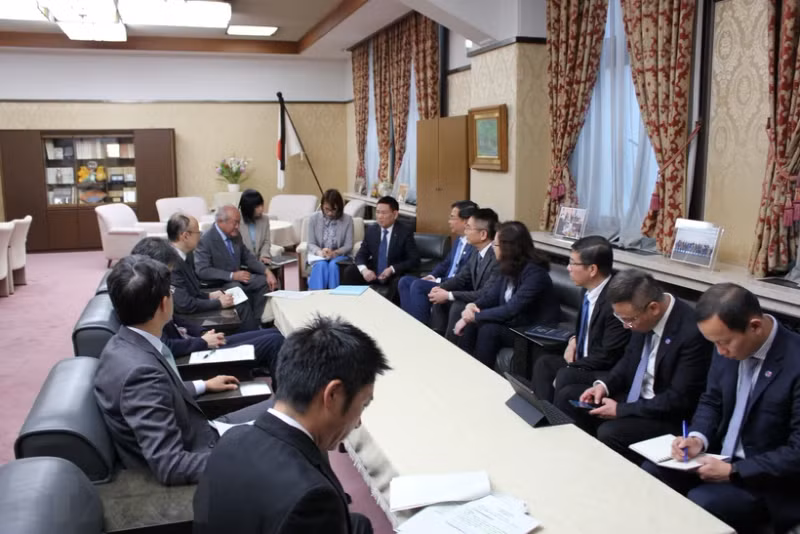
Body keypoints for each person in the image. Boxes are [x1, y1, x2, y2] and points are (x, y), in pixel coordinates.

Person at [193, 315, 390, 534]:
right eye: (363, 404)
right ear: (332, 395)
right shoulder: (312, 498)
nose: (358, 423)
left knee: (359, 524)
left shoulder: (231, 439)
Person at [94, 255, 274, 486]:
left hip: (197, 429)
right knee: (295, 430)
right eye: (170, 290)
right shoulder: (140, 375)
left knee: (288, 409)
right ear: (163, 303)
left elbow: (158, 396)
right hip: (201, 449)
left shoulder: (123, 343)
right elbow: (171, 465)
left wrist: (203, 385)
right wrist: (246, 460)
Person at [643, 284, 800, 534]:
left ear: (755, 326)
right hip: (718, 458)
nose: (719, 352)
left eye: (723, 343)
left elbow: (796, 452)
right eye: (713, 343)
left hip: (765, 479)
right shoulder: (726, 345)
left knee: (702, 501)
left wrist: (734, 471)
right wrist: (697, 438)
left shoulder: (794, 360)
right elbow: (712, 400)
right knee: (652, 471)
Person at [558, 269, 712, 463]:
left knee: (610, 432)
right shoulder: (640, 317)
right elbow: (628, 360)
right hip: (635, 398)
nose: (625, 326)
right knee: (568, 396)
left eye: (629, 320)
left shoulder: (691, 333)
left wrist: (621, 410)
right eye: (621, 319)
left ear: (653, 308)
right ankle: (573, 459)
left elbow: (678, 399)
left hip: (665, 414)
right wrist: (604, 387)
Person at [131, 237, 285, 374]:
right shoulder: (145, 302)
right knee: (275, 343)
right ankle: (287, 403)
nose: (169, 281)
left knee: (275, 334)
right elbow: (164, 346)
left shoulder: (152, 291)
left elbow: (175, 320)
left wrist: (203, 333)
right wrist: (203, 342)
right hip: (194, 355)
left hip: (195, 341)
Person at [531, 236, 630, 401]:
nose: (568, 268)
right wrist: (573, 339)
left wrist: (572, 366)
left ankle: (557, 422)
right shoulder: (587, 290)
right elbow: (586, 331)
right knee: (545, 363)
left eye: (573, 263)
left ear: (592, 269)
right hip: (584, 361)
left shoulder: (615, 302)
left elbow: (607, 356)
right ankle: (542, 413)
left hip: (604, 370)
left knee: (565, 374)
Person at [454, 221, 559, 369]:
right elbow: (491, 296)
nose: (492, 248)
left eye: (495, 245)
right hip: (514, 324)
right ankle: (462, 369)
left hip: (530, 331)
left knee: (489, 330)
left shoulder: (535, 273)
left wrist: (474, 316)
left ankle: (481, 378)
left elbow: (511, 309)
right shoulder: (509, 266)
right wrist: (473, 306)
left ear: (509, 248)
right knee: (472, 325)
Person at [166, 213, 259, 331]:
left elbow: (192, 290)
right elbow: (185, 304)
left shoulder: (186, 254)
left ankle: (253, 336)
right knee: (239, 306)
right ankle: (252, 340)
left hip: (193, 304)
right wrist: (219, 303)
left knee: (240, 300)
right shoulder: (170, 263)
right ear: (185, 236)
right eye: (197, 232)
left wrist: (209, 295)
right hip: (184, 318)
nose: (200, 235)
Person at [194, 205, 279, 325]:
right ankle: (249, 327)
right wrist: (232, 275)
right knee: (237, 289)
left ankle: (257, 320)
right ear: (220, 222)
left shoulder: (235, 235)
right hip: (219, 282)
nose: (238, 227)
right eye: (235, 223)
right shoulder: (206, 240)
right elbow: (202, 270)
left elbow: (248, 257)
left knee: (265, 281)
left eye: (239, 223)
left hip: (238, 277)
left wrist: (267, 271)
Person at [398, 200, 477, 323]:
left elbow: (464, 278)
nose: (449, 221)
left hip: (454, 286)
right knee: (404, 281)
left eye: (452, 218)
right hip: (444, 281)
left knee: (418, 285)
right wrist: (432, 275)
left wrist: (438, 280)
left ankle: (421, 328)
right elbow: (445, 264)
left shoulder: (474, 245)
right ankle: (409, 323)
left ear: (465, 221)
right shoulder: (459, 240)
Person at [428, 208, 499, 340]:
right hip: (476, 299)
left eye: (469, 228)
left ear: (483, 234)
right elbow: (461, 278)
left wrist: (448, 295)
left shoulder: (496, 257)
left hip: (490, 304)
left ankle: (451, 348)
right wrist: (442, 288)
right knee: (440, 299)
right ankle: (436, 338)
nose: (465, 232)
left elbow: (485, 294)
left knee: (457, 305)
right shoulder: (477, 252)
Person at [341, 196, 419, 301]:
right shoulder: (372, 230)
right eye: (377, 212)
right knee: (350, 271)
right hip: (374, 272)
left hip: (393, 276)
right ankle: (352, 306)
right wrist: (364, 271)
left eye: (383, 213)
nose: (379, 216)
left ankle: (387, 312)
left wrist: (392, 269)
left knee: (398, 282)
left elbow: (414, 260)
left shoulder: (404, 232)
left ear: (395, 214)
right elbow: (361, 254)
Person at [306, 189, 354, 290]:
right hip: (320, 256)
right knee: (321, 266)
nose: (330, 213)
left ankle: (334, 298)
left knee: (333, 265)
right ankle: (316, 298)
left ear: (340, 207)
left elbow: (348, 245)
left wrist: (335, 253)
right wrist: (320, 252)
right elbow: (311, 243)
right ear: (322, 205)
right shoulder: (313, 218)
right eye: (327, 209)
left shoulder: (348, 220)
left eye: (333, 209)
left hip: (340, 256)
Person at [238, 189, 273, 264]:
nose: (261, 209)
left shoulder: (265, 219)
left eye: (262, 205)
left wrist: (264, 255)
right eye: (257, 206)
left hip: (260, 261)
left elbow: (266, 242)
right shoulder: (236, 220)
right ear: (247, 207)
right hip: (241, 262)